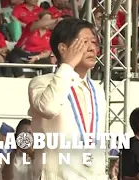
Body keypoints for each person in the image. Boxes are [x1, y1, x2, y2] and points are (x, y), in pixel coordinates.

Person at [28, 18, 107, 180]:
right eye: (84, 42)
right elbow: (49, 108)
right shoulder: (41, 83)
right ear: (63, 48)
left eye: (94, 42)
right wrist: (68, 65)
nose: (92, 48)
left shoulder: (97, 90)